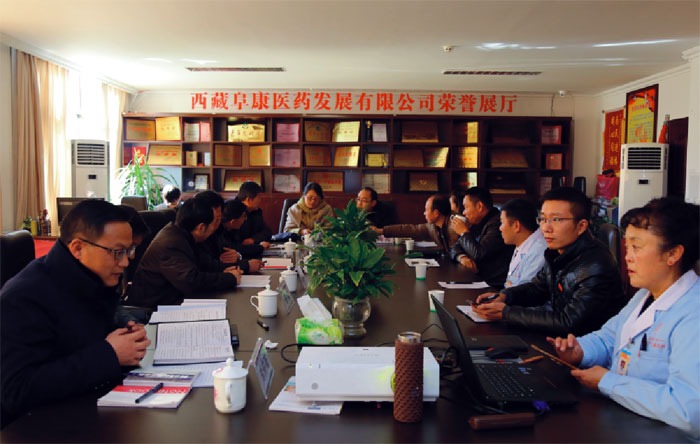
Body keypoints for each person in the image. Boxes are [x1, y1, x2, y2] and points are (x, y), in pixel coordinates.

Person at [547, 198, 699, 437]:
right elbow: (609, 337)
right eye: (627, 247)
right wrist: (579, 351)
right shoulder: (645, 295)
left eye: (636, 247)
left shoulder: (693, 315)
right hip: (626, 421)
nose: (627, 257)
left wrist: (608, 382)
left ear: (673, 254)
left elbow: (688, 410)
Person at [0, 200, 151, 427]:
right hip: (40, 428)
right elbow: (17, 390)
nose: (125, 262)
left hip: (89, 407)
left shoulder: (92, 277)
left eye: (129, 251)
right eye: (117, 252)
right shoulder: (24, 297)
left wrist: (126, 331)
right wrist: (110, 354)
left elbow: (88, 333)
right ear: (78, 248)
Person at [473, 187, 625, 336]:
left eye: (556, 220)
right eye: (543, 219)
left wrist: (507, 313)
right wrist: (506, 296)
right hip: (559, 339)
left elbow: (569, 322)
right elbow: (538, 287)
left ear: (581, 226)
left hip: (582, 346)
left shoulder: (596, 265)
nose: (546, 227)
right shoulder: (556, 251)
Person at [128, 196, 243, 308]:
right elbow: (190, 281)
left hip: (172, 299)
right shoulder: (172, 243)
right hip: (153, 309)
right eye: (214, 223)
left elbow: (204, 265)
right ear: (201, 227)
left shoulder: (183, 235)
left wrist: (225, 272)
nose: (215, 228)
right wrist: (229, 278)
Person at [449, 186, 514, 288]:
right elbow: (455, 247)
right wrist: (462, 257)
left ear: (480, 206)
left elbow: (479, 254)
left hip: (493, 285)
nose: (463, 212)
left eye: (466, 207)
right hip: (479, 279)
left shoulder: (497, 224)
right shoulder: (477, 222)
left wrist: (464, 233)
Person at [374, 195, 458, 253]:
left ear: (436, 213)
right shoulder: (432, 227)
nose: (424, 213)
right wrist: (381, 231)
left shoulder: (455, 226)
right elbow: (410, 229)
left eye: (426, 210)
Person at [499, 198, 547, 288]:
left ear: (516, 226)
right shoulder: (523, 243)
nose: (500, 228)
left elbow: (524, 291)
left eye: (502, 223)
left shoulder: (538, 251)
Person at [235, 181, 271, 250]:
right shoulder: (234, 212)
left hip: (252, 249)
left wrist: (253, 239)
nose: (260, 200)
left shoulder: (256, 211)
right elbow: (238, 242)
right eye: (258, 198)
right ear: (248, 199)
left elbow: (267, 232)